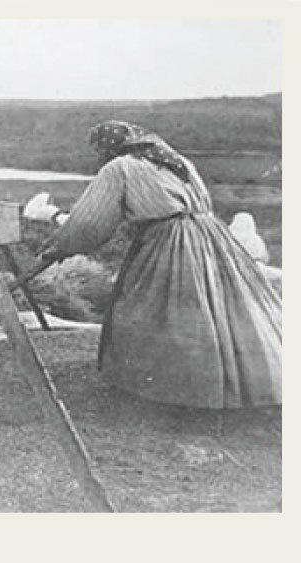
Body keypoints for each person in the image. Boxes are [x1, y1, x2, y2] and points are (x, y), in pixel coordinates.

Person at [25, 120, 281, 409]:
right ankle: (239, 386)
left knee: (154, 309)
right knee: (218, 308)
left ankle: (176, 392)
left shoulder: (120, 168)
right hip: (212, 237)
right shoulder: (174, 160)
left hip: (169, 241)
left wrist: (60, 247)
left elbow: (91, 223)